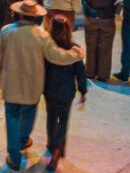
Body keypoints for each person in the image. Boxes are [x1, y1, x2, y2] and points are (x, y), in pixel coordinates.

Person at [0, 0, 85, 172]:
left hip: (11, 83)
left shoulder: (6, 31)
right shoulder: (42, 36)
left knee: (12, 116)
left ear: (19, 14)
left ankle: (14, 157)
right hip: (33, 85)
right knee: (28, 113)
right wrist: (76, 54)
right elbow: (57, 56)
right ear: (35, 16)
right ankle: (23, 139)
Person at [44, 15, 88, 171]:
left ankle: (51, 145)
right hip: (67, 91)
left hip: (50, 89)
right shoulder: (74, 49)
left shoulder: (48, 47)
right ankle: (58, 149)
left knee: (51, 117)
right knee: (63, 119)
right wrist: (83, 90)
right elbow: (80, 72)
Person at [82, 0, 118, 81]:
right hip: (108, 20)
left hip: (91, 20)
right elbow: (115, 2)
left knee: (91, 47)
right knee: (106, 48)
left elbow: (84, 1)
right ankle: (103, 75)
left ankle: (90, 72)